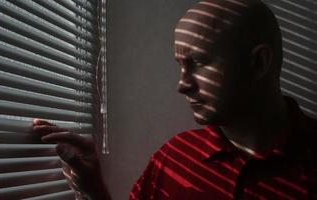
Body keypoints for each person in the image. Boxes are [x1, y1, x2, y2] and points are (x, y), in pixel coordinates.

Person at [33, 0, 317, 199]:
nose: (182, 85)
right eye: (181, 65)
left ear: (258, 63)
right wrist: (93, 189)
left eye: (199, 62)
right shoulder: (172, 159)